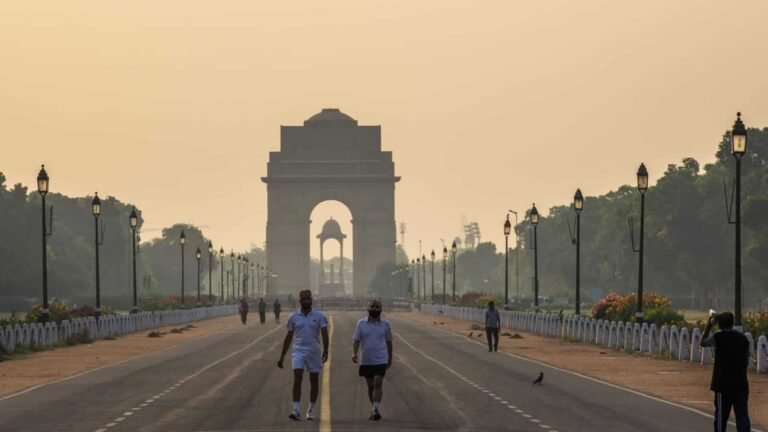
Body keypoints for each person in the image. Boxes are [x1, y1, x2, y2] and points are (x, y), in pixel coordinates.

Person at [277, 290, 329, 421]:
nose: (306, 301)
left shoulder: (319, 315)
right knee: (297, 377)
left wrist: (326, 350)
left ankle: (311, 410)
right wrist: (282, 356)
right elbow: (288, 337)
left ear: (311, 300)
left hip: (314, 351)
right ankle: (296, 410)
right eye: (304, 299)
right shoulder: (293, 317)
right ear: (300, 301)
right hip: (298, 351)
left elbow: (324, 334)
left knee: (314, 380)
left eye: (308, 298)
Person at [700, 311, 751, 432]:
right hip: (741, 383)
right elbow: (747, 360)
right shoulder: (743, 339)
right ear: (732, 323)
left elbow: (703, 342)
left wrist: (709, 325)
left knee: (721, 418)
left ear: (719, 324)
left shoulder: (718, 337)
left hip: (722, 384)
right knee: (742, 417)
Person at [352, 299, 393, 421]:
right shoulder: (361, 324)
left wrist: (390, 358)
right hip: (366, 360)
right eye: (373, 306)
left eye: (377, 306)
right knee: (370, 386)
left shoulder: (385, 325)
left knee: (378, 382)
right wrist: (354, 353)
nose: (375, 309)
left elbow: (389, 342)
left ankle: (375, 409)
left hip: (381, 359)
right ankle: (374, 407)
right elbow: (356, 340)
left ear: (380, 309)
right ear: (368, 308)